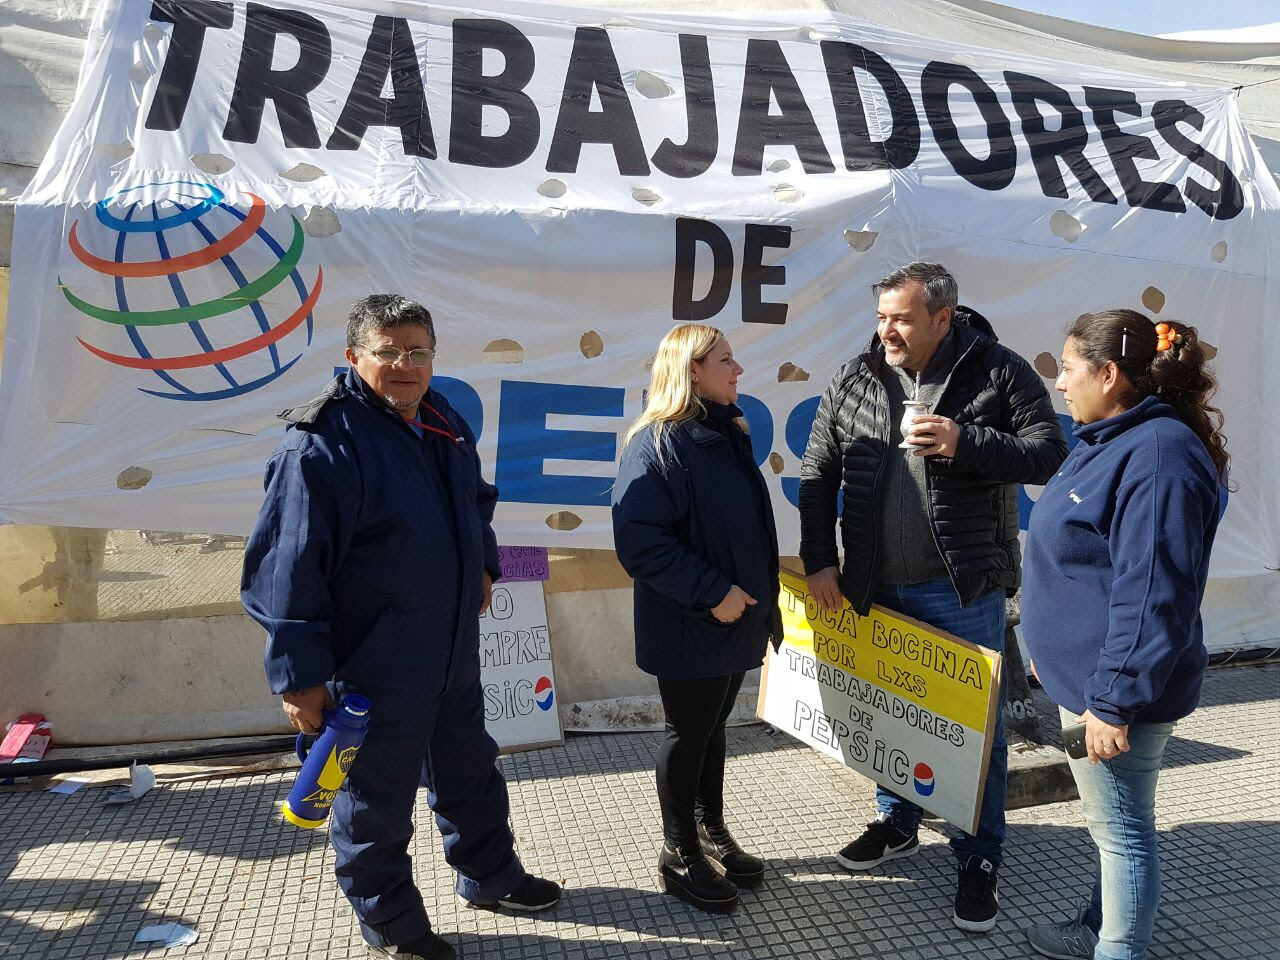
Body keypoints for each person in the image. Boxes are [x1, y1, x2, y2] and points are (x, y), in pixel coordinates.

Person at [241, 295, 560, 960]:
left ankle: (490, 874)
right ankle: (391, 922)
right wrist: (299, 680)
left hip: (449, 649)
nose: (404, 364)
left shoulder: (441, 418)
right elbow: (284, 571)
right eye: (387, 351)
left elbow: (475, 502)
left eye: (417, 351)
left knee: (469, 769)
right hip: (372, 660)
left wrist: (485, 567)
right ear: (356, 357)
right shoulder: (321, 445)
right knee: (374, 799)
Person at [799, 261, 1067, 931]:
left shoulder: (998, 370)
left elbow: (1048, 452)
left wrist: (962, 441)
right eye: (883, 315)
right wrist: (819, 564)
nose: (887, 329)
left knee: (974, 731)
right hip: (871, 585)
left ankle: (978, 854)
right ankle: (898, 821)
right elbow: (815, 475)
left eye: (902, 318)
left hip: (960, 588)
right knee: (890, 714)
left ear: (943, 317)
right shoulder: (857, 375)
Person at [1021, 311, 1227, 960]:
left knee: (1122, 833)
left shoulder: (1160, 457)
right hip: (1090, 682)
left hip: (1113, 697)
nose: (1058, 383)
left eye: (1068, 368)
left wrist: (1112, 700)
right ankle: (1093, 925)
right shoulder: (1110, 436)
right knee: (1112, 824)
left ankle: (1117, 948)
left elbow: (1154, 593)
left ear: (1108, 375)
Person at [612, 323, 781, 914]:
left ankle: (711, 832)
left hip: (734, 618)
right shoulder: (657, 443)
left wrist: (757, 603)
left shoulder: (722, 432)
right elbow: (639, 541)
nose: (738, 371)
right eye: (726, 361)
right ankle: (679, 850)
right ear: (692, 372)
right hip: (695, 620)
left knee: (711, 733)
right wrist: (715, 593)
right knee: (688, 735)